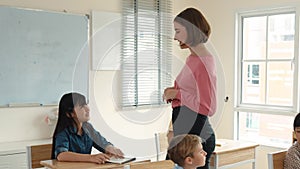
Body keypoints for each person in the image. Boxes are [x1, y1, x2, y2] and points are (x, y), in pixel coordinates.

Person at [163, 7, 216, 169]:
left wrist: (177, 93)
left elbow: (208, 107)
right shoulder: (192, 59)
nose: (175, 37)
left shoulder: (204, 62)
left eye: (178, 31)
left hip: (196, 139)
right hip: (184, 133)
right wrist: (173, 92)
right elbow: (190, 93)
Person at [51, 92, 124, 164]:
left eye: (86, 104)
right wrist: (91, 158)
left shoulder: (88, 128)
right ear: (70, 114)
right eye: (82, 106)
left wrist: (111, 149)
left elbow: (102, 143)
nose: (87, 109)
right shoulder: (63, 132)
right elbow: (61, 155)